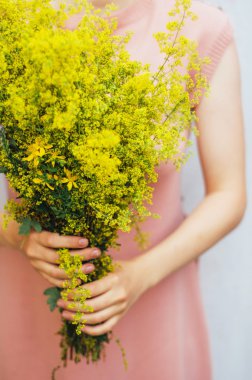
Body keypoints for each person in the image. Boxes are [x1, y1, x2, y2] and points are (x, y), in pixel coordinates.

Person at [0, 0, 246, 379]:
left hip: (154, 296)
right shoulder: (12, 17)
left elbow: (229, 195)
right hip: (28, 299)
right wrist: (17, 234)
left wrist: (138, 277)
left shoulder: (197, 27)